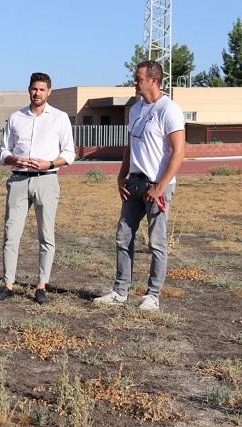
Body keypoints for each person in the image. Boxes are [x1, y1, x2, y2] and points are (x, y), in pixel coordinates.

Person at [94, 60, 185, 311]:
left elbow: (178, 153)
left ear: (153, 80)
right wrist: (120, 176)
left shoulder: (169, 109)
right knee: (123, 236)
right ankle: (120, 291)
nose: (134, 81)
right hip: (133, 183)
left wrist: (160, 186)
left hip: (158, 186)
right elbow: (130, 147)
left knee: (157, 242)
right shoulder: (136, 108)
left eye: (138, 78)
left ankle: (153, 295)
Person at [0, 72, 76, 305]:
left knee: (46, 234)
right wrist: (14, 160)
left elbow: (69, 153)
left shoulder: (59, 118)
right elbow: (3, 152)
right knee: (11, 233)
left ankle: (41, 285)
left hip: (46, 179)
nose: (37, 93)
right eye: (33, 89)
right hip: (18, 180)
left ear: (49, 91)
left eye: (41, 89)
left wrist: (49, 163)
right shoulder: (16, 117)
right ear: (29, 89)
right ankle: (8, 284)